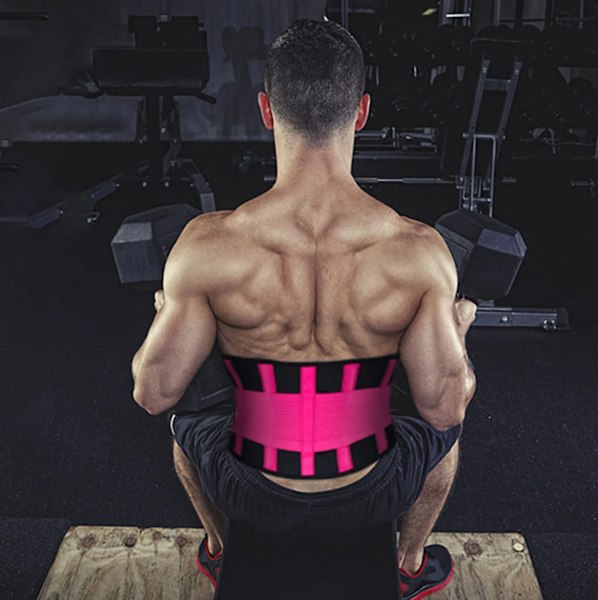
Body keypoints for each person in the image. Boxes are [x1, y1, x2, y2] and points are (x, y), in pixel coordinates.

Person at [131, 18, 476, 599]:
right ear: (362, 113)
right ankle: (409, 561)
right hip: (374, 490)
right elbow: (443, 410)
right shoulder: (418, 252)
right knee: (447, 420)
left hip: (249, 488)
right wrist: (458, 331)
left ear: (266, 111)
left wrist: (165, 312)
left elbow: (154, 392)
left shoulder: (207, 245)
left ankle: (219, 547)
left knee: (185, 421)